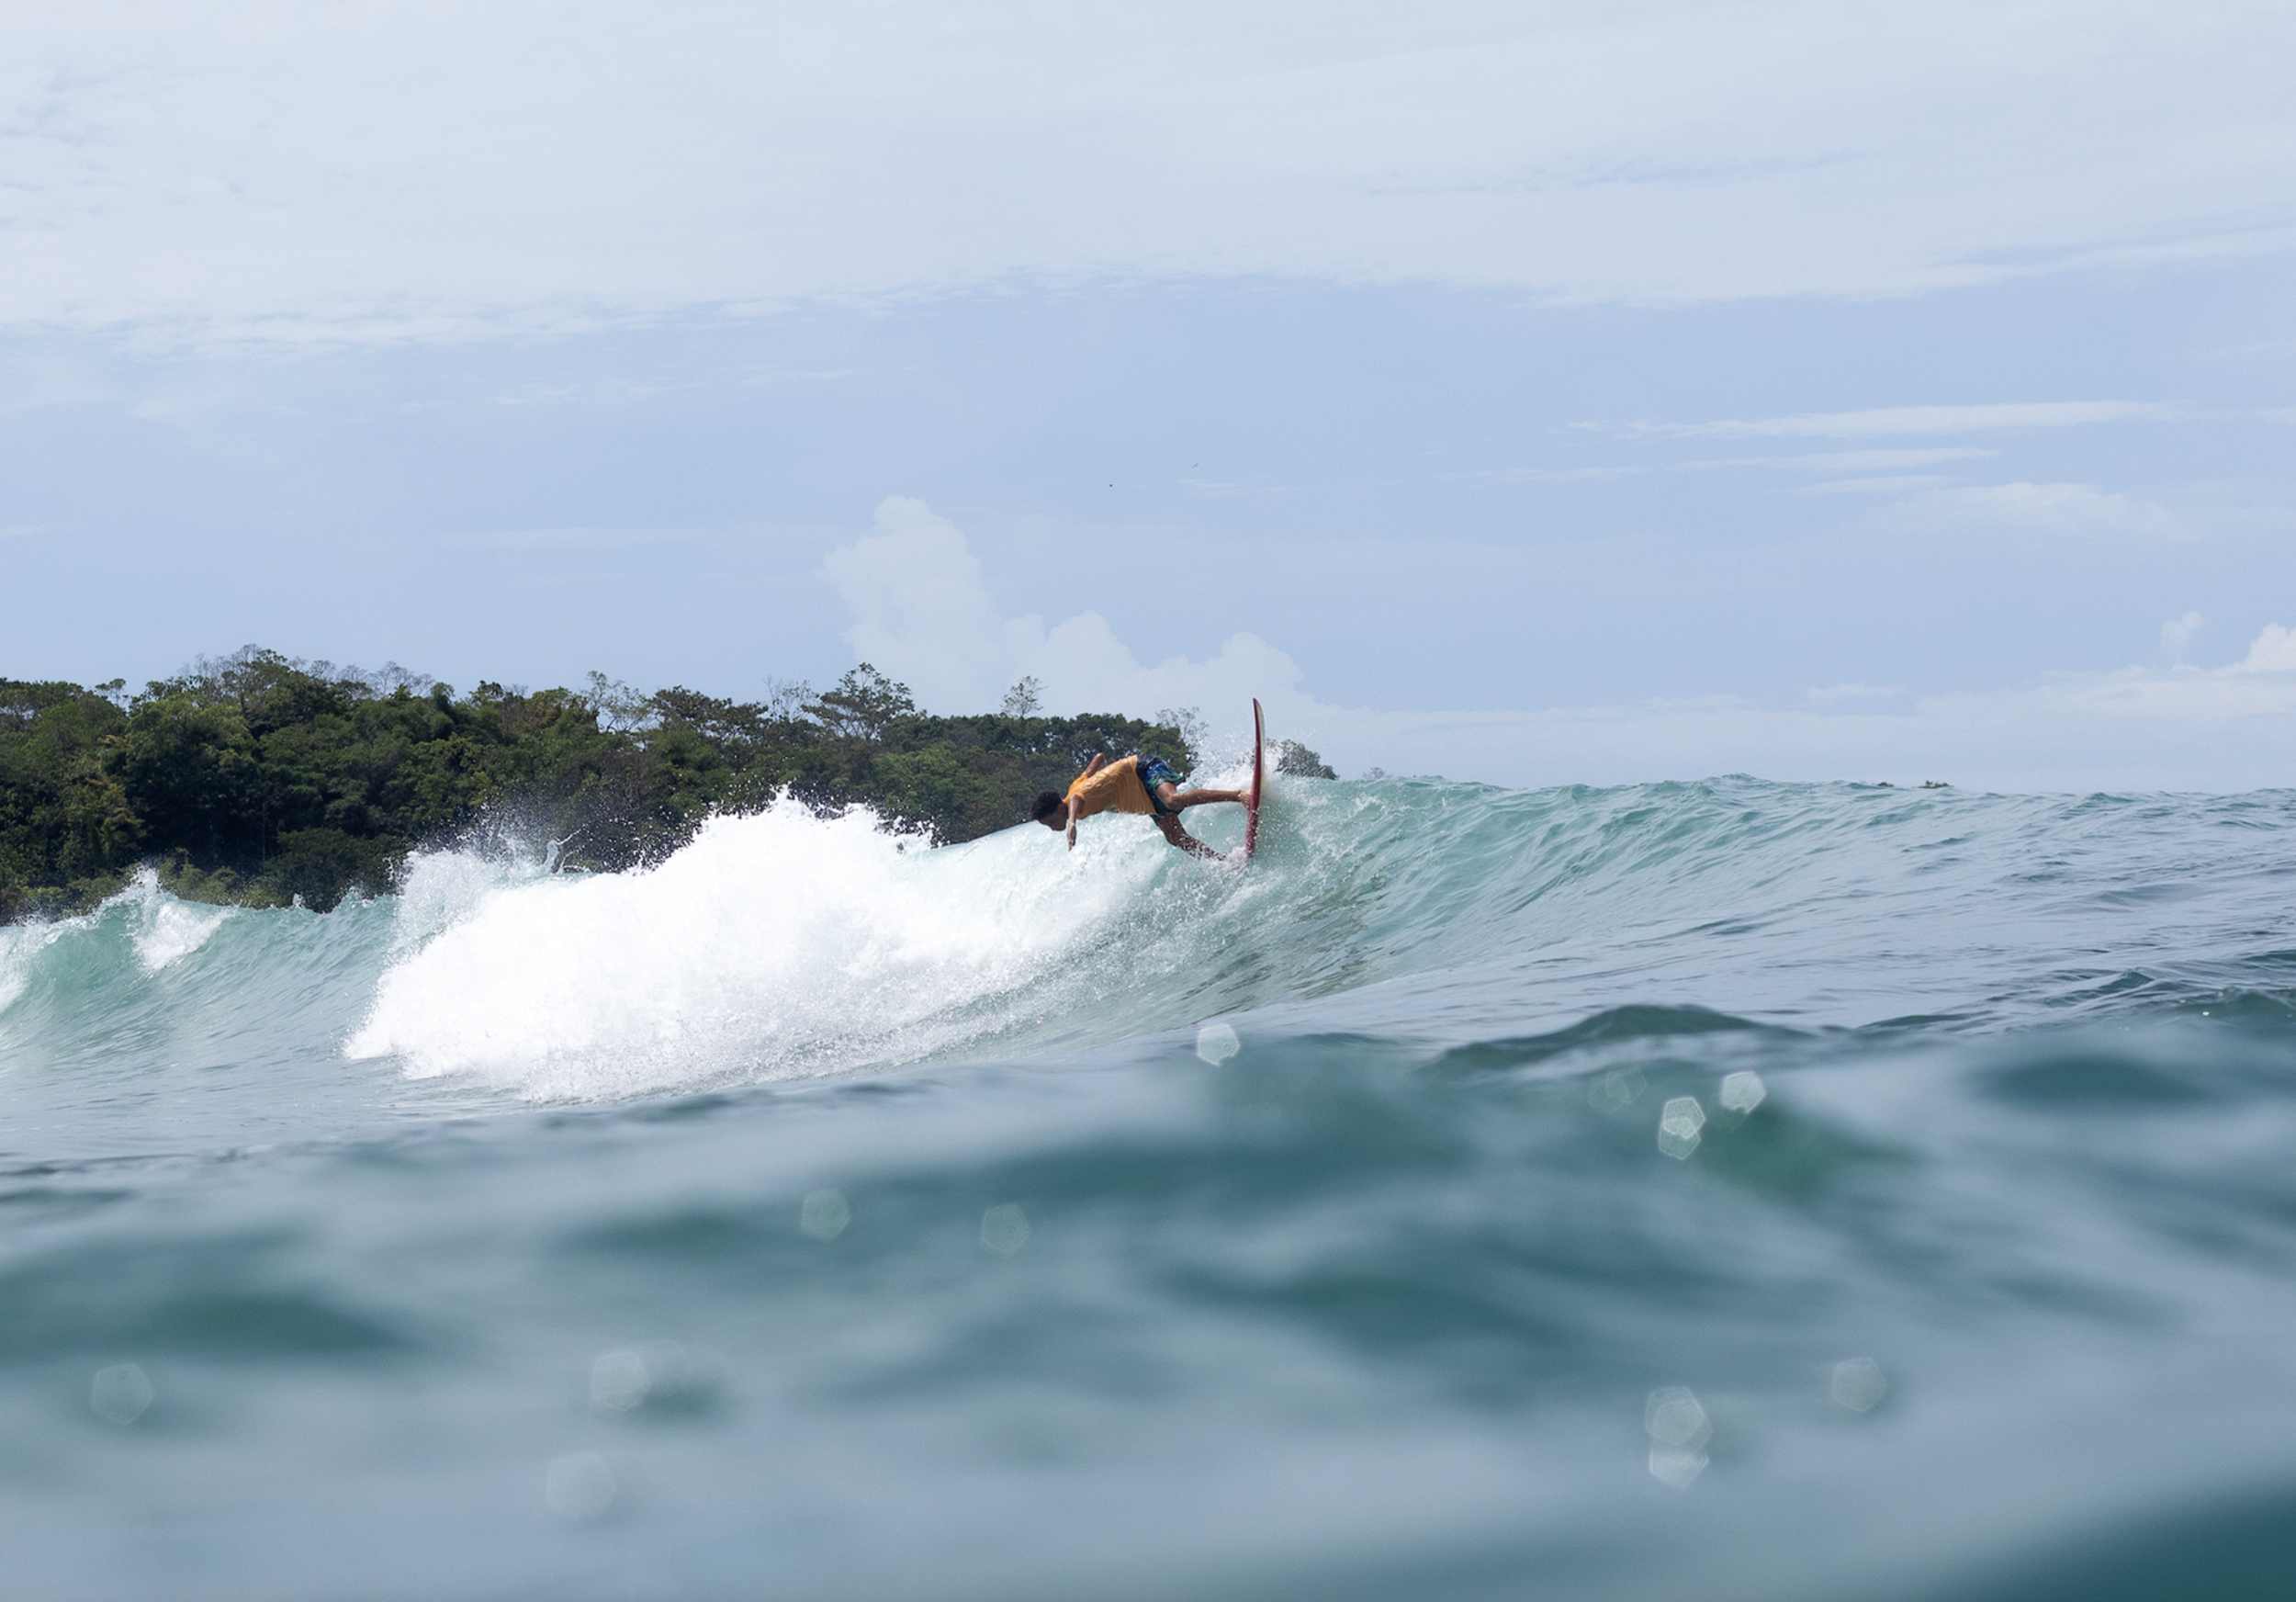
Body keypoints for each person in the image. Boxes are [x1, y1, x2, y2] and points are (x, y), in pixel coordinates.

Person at [1031, 752, 1246, 860]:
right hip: (1144, 798)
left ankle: (1240, 795)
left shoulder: (1077, 797)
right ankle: (1222, 862)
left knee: (1173, 800)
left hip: (1142, 770)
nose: (1052, 828)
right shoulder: (1076, 786)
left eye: (1051, 822)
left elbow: (1077, 798)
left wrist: (1071, 824)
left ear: (1061, 809)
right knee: (1175, 838)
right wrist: (1108, 781)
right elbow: (1099, 758)